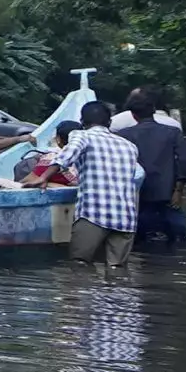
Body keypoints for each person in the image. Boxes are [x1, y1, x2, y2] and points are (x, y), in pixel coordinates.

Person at [62, 111, 145, 267]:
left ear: (82, 122)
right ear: (109, 122)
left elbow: (64, 159)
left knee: (80, 264)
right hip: (126, 217)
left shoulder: (81, 135)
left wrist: (43, 177)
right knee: (117, 268)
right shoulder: (129, 146)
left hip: (94, 213)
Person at [127, 86, 186, 252]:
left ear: (133, 114)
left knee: (140, 244)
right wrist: (179, 191)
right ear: (154, 110)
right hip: (169, 195)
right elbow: (183, 161)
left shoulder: (123, 135)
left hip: (138, 197)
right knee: (179, 242)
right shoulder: (173, 133)